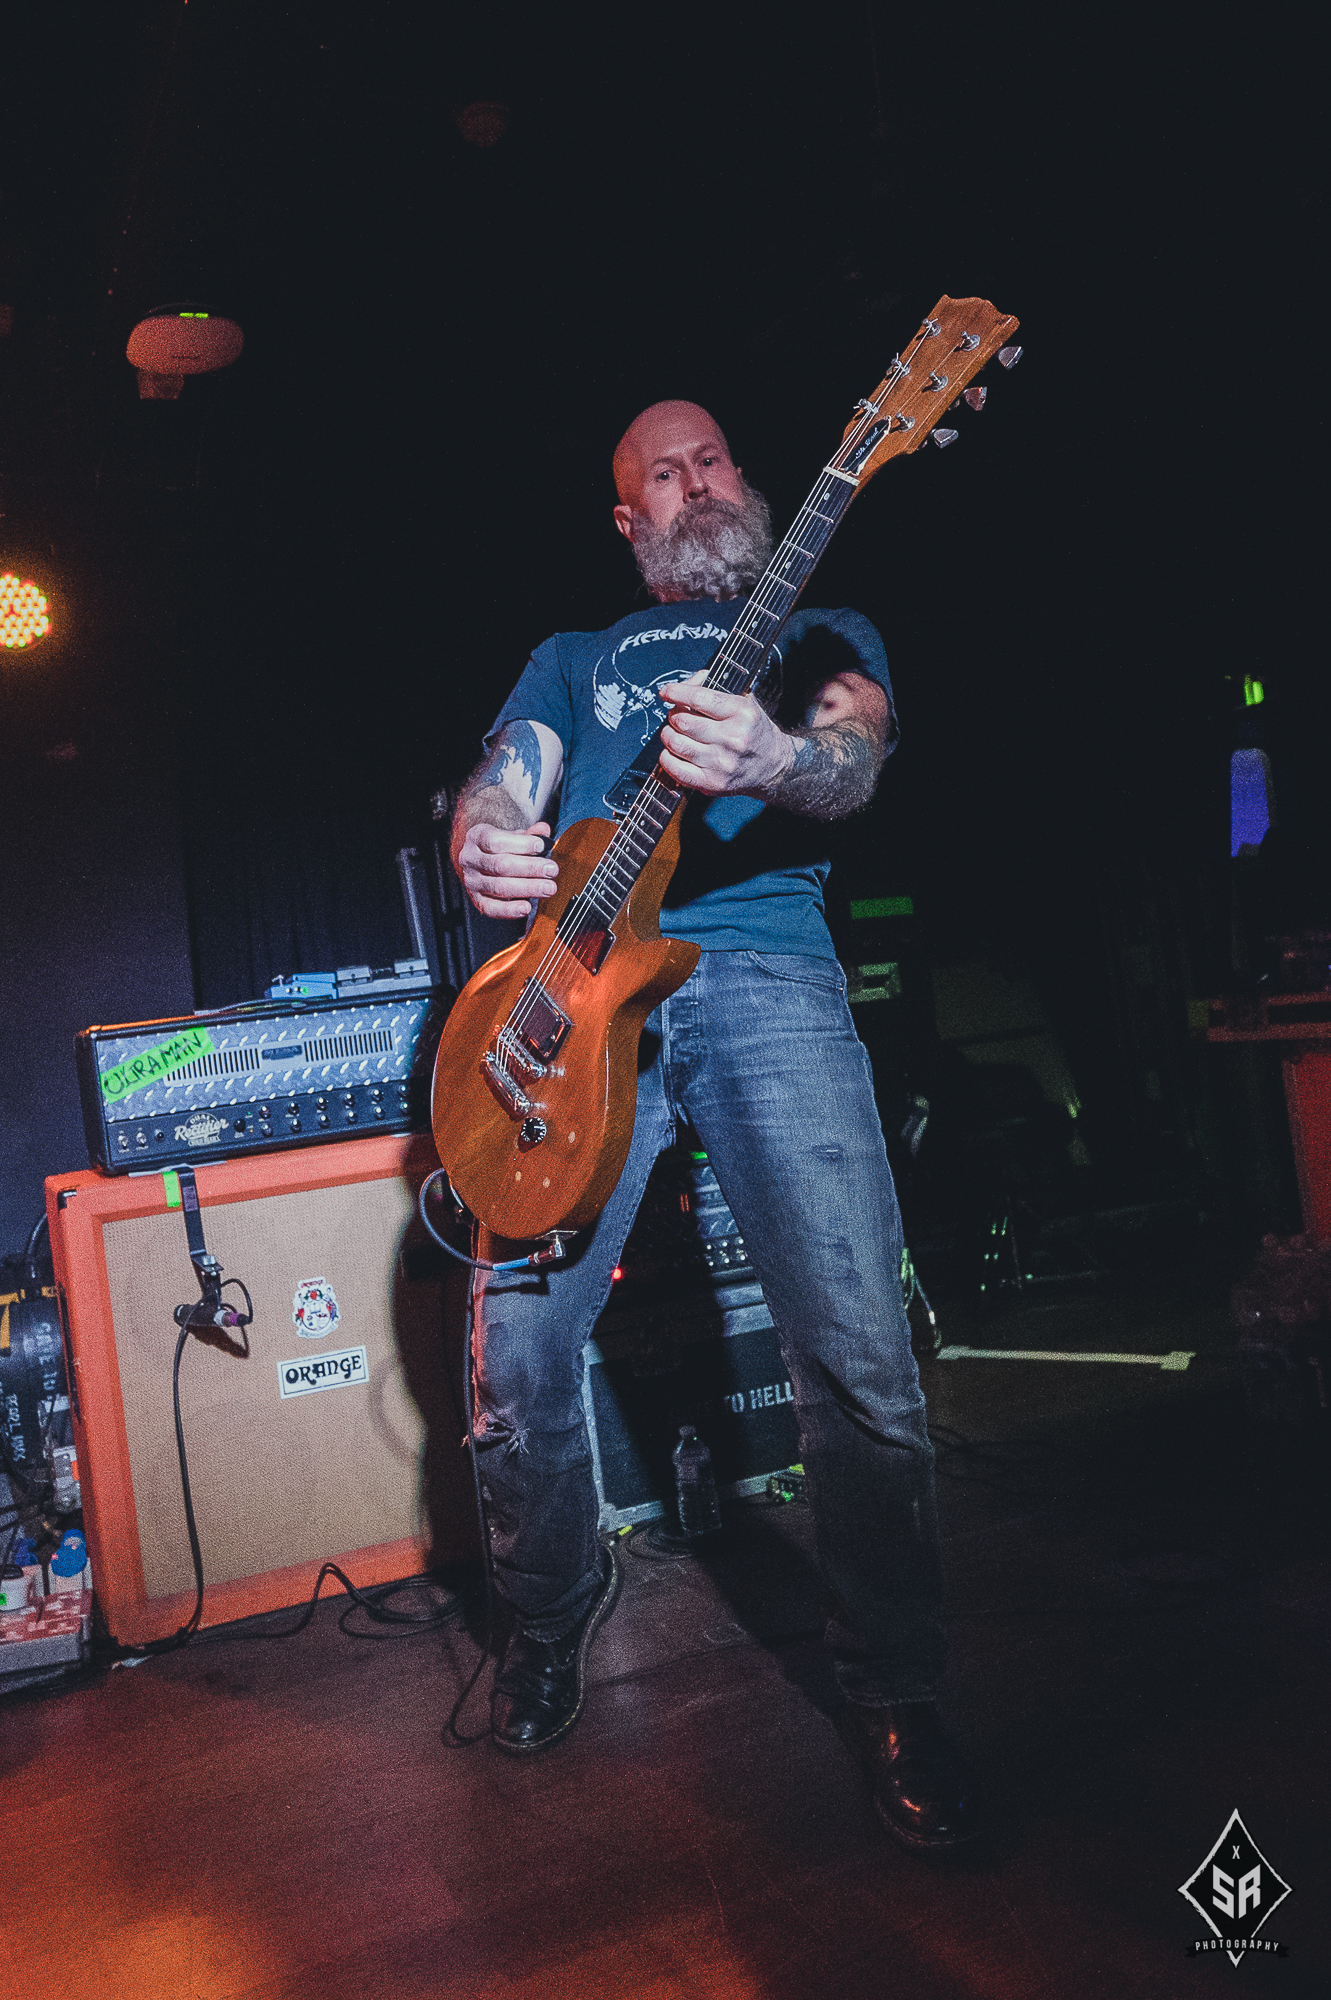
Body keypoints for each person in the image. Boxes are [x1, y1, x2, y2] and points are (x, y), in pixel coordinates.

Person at [448, 400, 975, 1850]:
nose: (696, 483)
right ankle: (550, 1611)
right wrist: (487, 830)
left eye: (713, 459)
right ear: (629, 523)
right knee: (515, 1357)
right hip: (575, 1003)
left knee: (857, 1349)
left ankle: (896, 1679)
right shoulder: (577, 657)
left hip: (765, 975)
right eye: (661, 476)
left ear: (750, 479)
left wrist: (774, 761)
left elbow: (853, 760)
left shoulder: (820, 632)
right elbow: (511, 772)